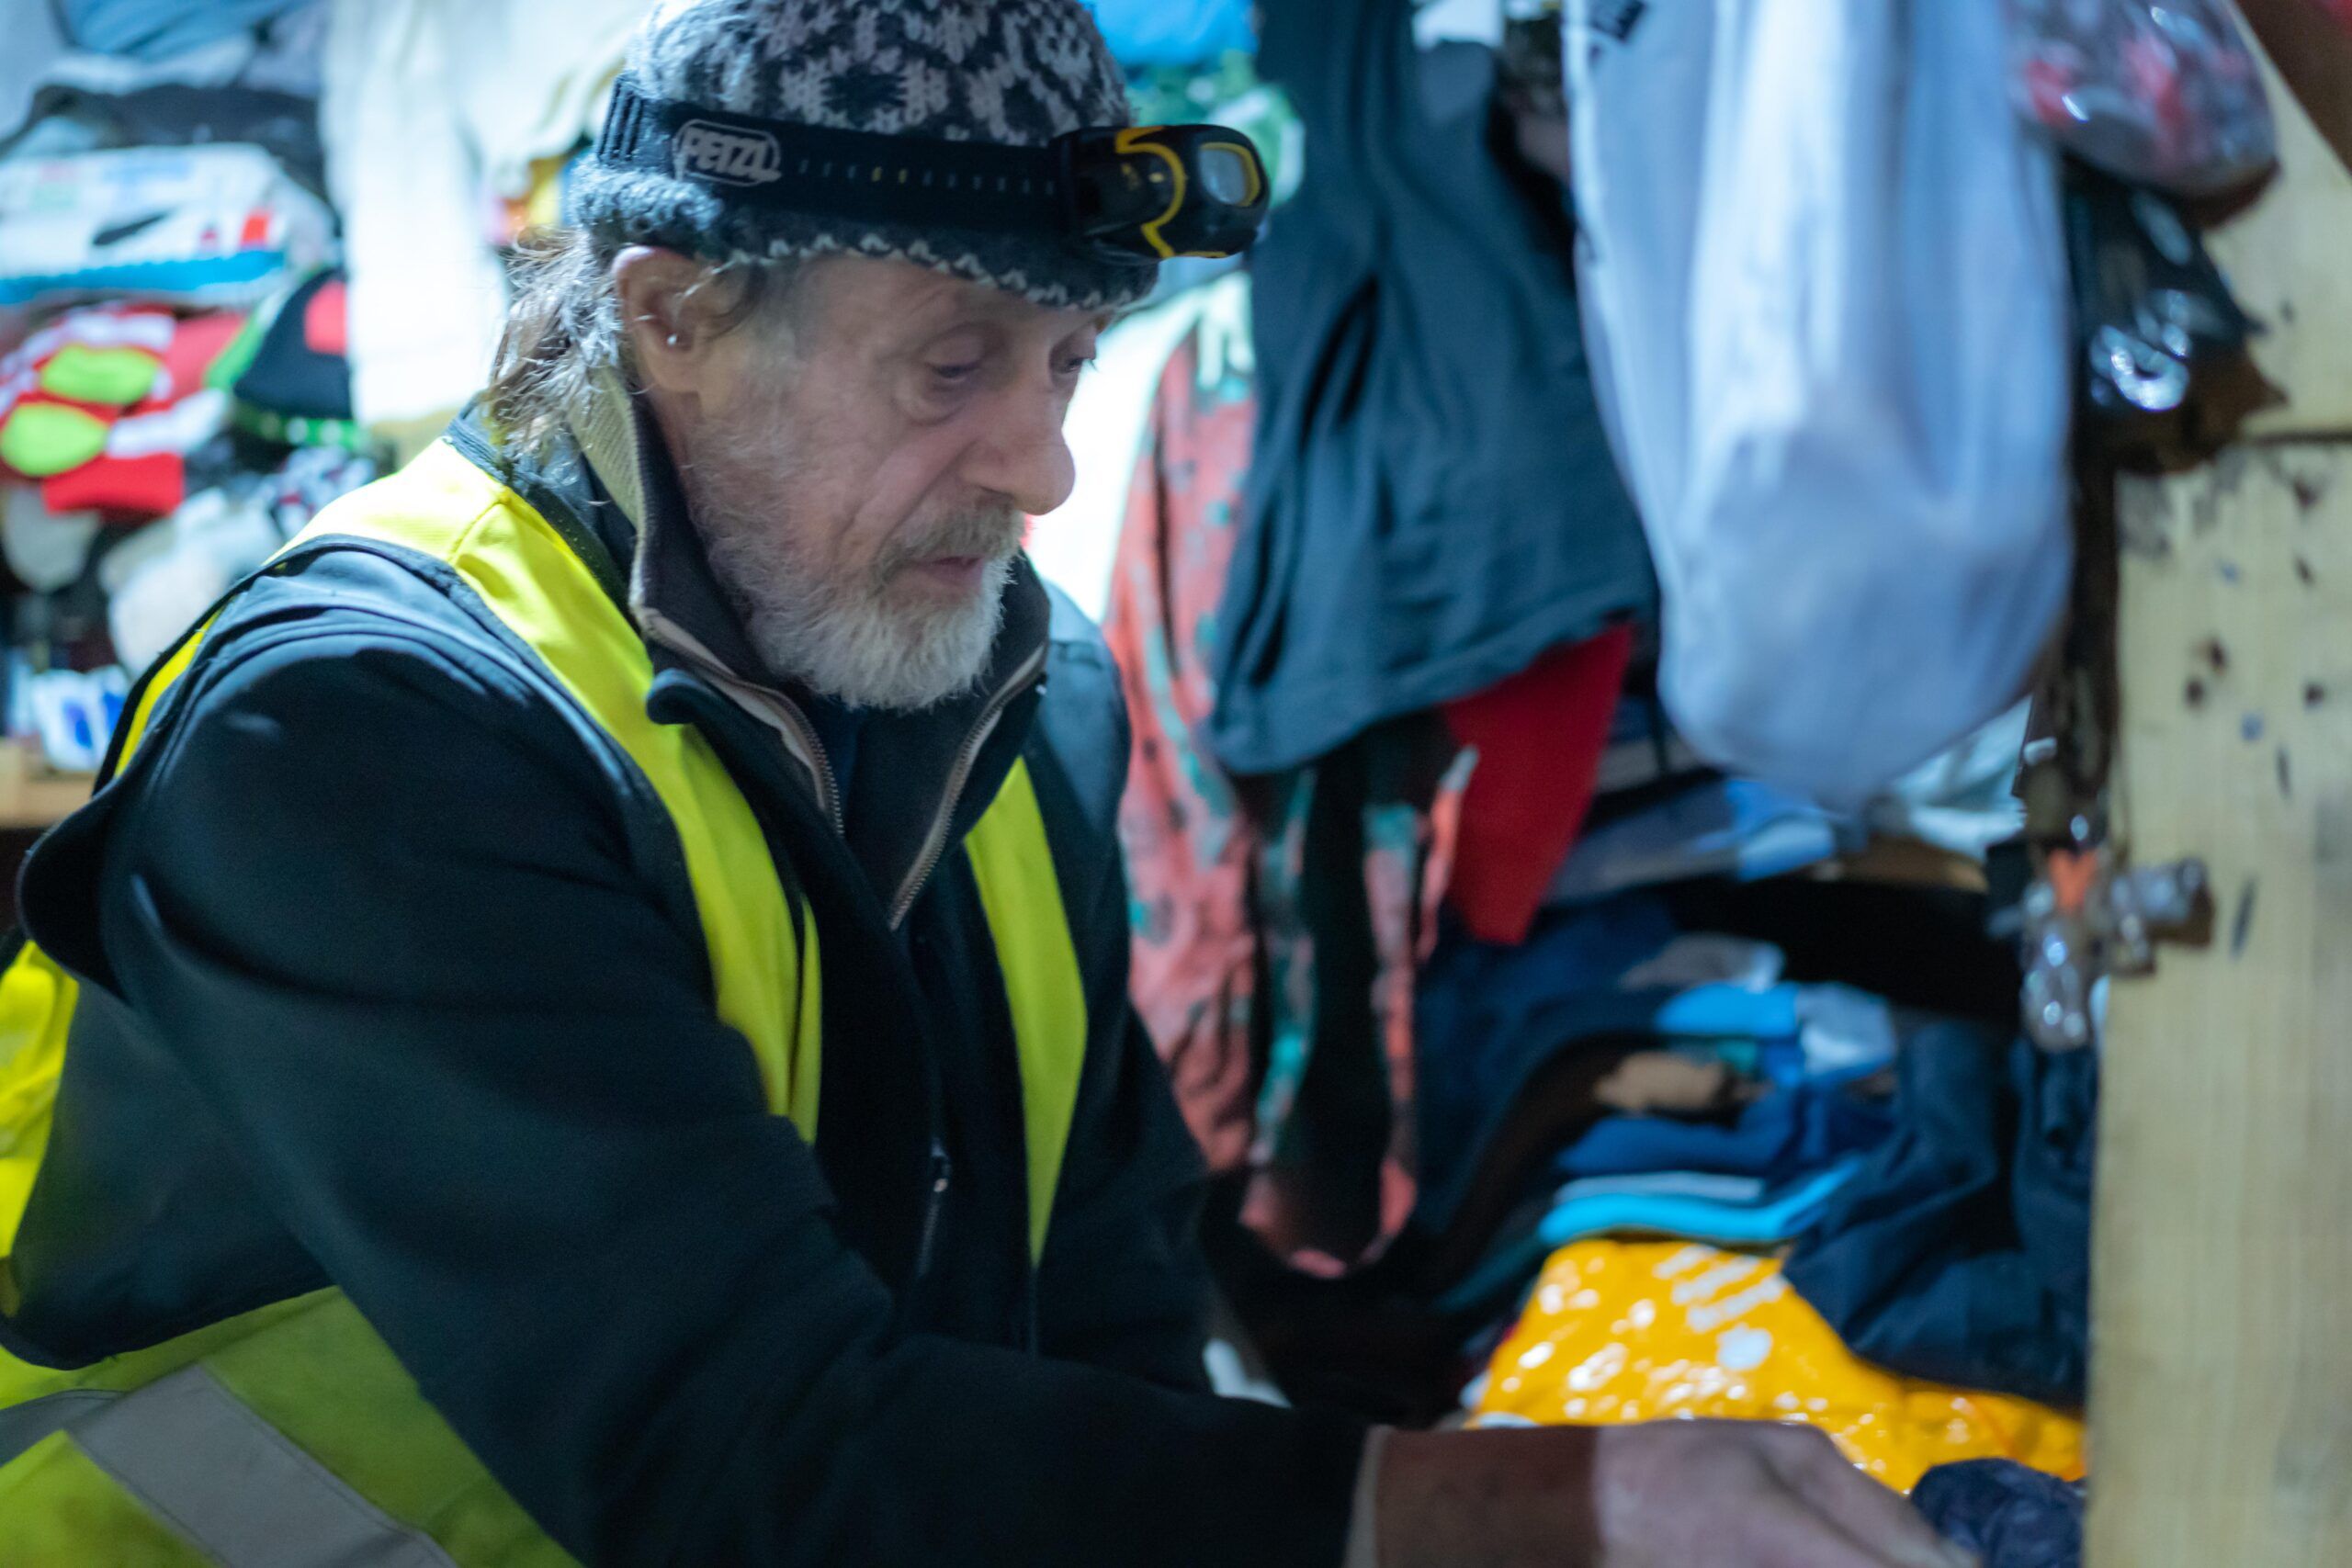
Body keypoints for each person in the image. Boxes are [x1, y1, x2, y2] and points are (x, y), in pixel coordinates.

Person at [0, 4, 1976, 1565]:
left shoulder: (1019, 702)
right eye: (952, 366)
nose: (1040, 466)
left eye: (1064, 362)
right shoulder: (351, 737)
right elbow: (745, 1451)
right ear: (669, 312)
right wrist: (1532, 1511)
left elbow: (1094, 1304)